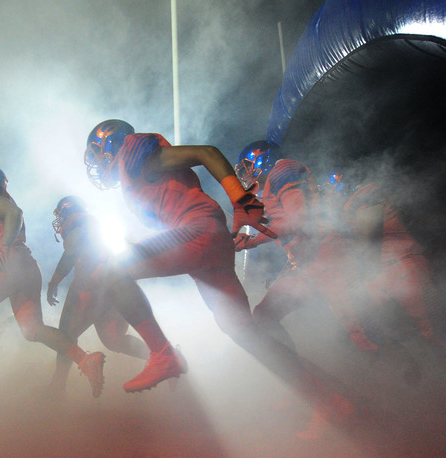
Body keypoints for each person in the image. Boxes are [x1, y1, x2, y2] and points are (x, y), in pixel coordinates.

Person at [83, 120, 356, 426]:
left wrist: (240, 196)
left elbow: (206, 152)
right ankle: (332, 399)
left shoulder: (133, 150)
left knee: (110, 270)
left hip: (197, 232)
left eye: (95, 151)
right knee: (246, 333)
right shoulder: (132, 172)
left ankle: (162, 354)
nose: (95, 162)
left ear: (112, 144)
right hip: (205, 241)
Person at [0, 164, 105, 399]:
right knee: (32, 329)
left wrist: (3, 247)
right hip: (25, 266)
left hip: (10, 264)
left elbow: (14, 214)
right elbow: (6, 246)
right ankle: (85, 359)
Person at [232, 141, 378, 353]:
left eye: (247, 165)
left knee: (357, 333)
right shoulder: (273, 182)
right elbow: (289, 227)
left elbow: (297, 219)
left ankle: (400, 366)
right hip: (312, 260)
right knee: (265, 315)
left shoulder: (282, 169)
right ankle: (298, 371)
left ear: (263, 158)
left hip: (324, 256)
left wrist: (251, 241)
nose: (245, 173)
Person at [45, 195, 148, 399]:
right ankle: (161, 355)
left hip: (90, 285)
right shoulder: (95, 225)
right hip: (114, 285)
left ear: (66, 211)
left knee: (65, 336)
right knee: (114, 340)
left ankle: (58, 386)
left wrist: (54, 281)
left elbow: (72, 252)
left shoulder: (78, 224)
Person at [342, 180, 439, 344]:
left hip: (402, 268)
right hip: (401, 268)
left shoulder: (365, 202)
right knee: (425, 327)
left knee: (432, 326)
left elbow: (368, 241)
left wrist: (367, 277)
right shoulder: (364, 202)